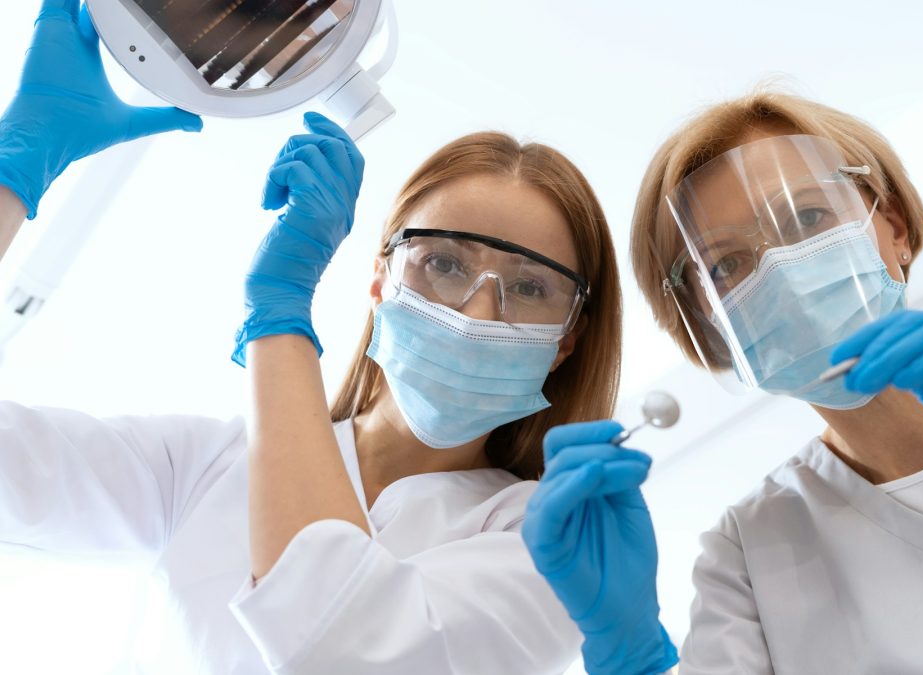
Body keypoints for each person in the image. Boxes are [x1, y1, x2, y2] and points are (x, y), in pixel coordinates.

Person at [0, 3, 624, 673]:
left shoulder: (558, 540)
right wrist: (16, 164)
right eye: (444, 263)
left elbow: (340, 643)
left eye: (529, 288)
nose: (478, 311)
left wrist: (279, 315)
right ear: (381, 280)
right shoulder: (206, 469)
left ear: (567, 339)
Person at [523, 89, 923, 674]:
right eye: (726, 265)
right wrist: (628, 649)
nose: (780, 270)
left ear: (893, 227)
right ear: (708, 329)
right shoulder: (749, 556)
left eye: (808, 217)